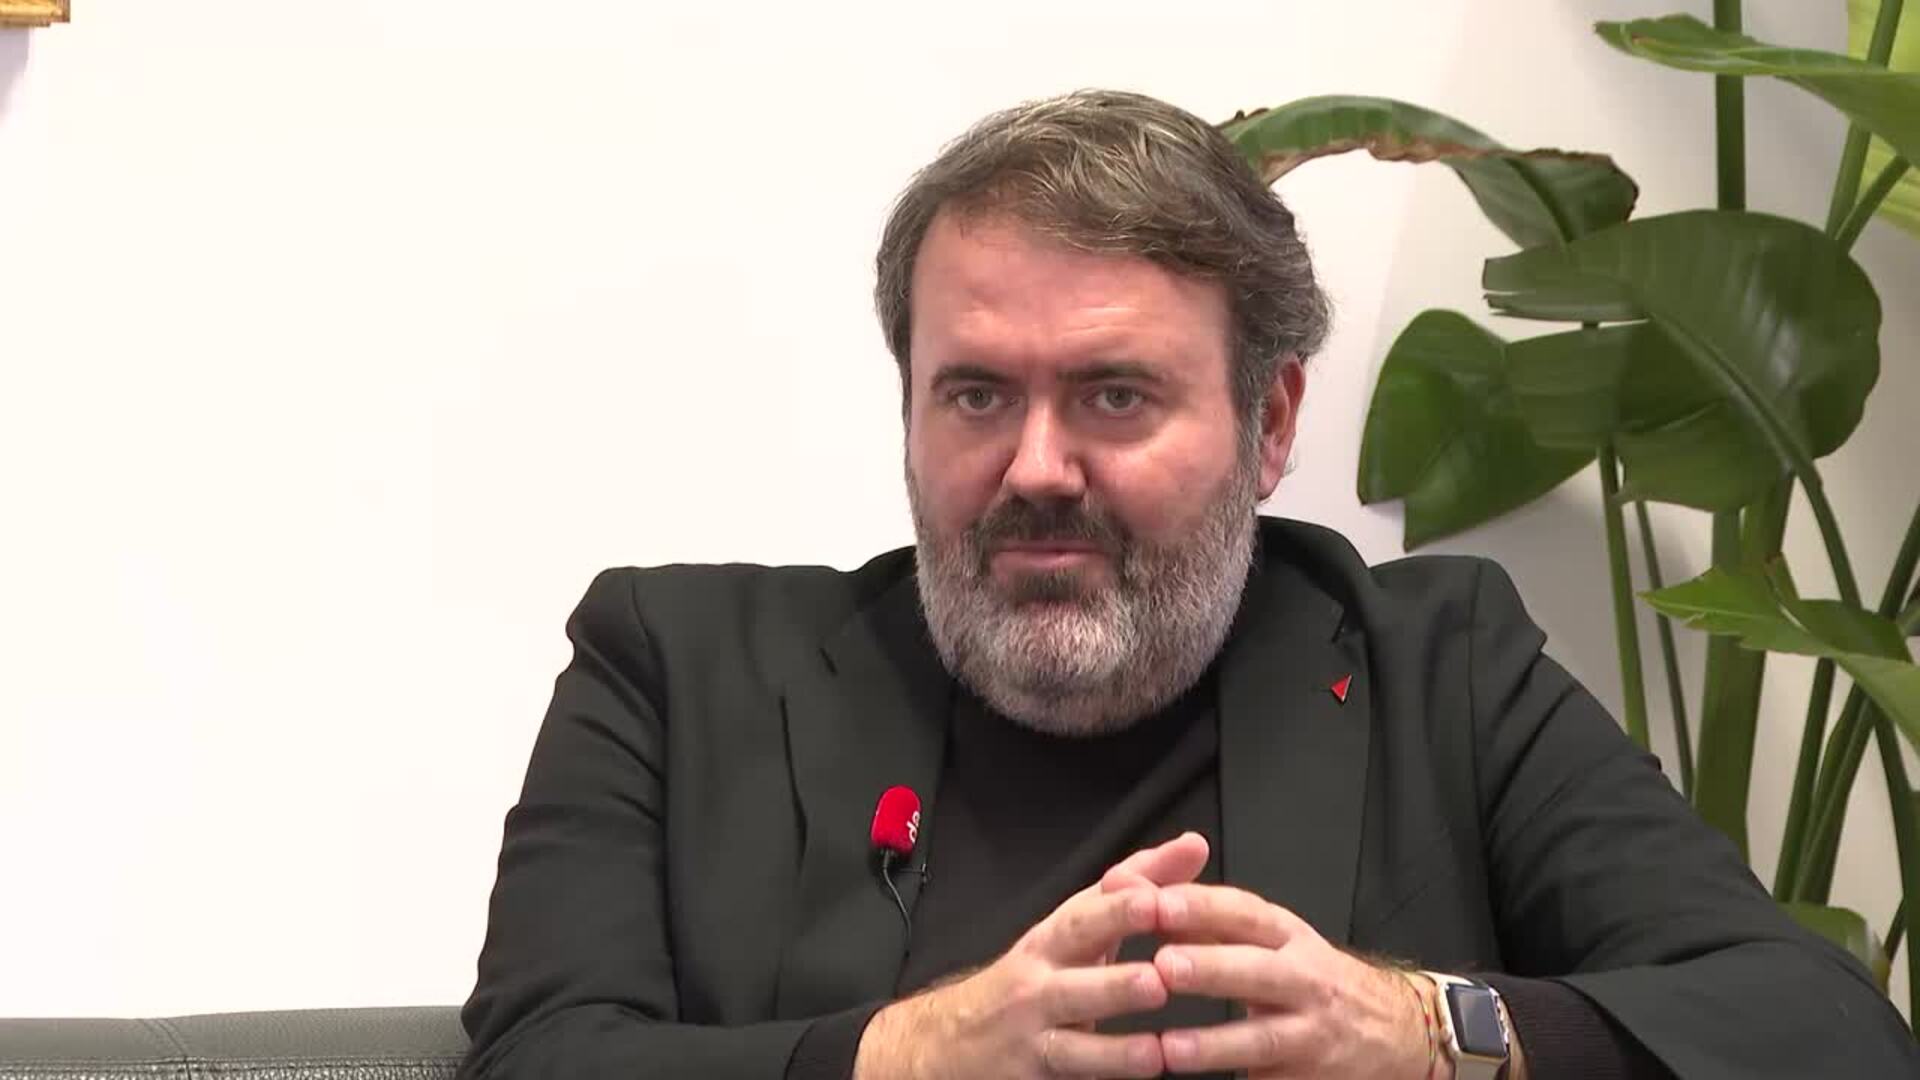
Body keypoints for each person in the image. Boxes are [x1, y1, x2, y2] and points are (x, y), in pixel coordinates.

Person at [454, 89, 1918, 1079]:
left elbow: (1823, 1028)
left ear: (1268, 425)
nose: (1036, 467)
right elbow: (537, 1058)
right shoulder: (673, 666)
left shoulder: (1440, 669)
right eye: (976, 395)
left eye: (1114, 395)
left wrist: (1427, 1033)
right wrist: (909, 1055)